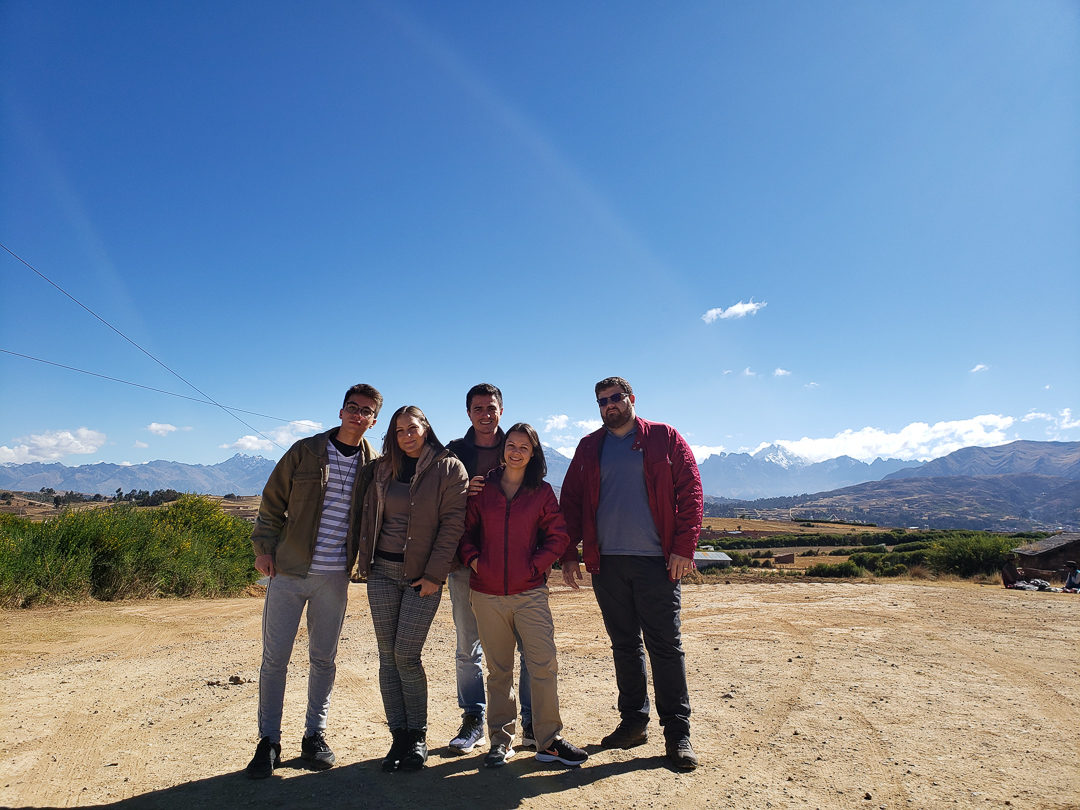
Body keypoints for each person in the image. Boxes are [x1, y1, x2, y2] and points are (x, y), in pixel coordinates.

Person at [560, 376, 703, 771]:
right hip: (607, 562)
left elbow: (690, 492)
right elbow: (570, 500)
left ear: (631, 399)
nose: (610, 405)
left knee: (665, 646)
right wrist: (570, 553)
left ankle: (677, 733)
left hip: (657, 561)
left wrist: (683, 549)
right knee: (624, 644)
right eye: (602, 401)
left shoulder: (664, 438)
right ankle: (633, 723)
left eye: (615, 398)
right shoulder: (590, 446)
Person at [245, 383, 382, 779]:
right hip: (288, 572)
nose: (357, 415)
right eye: (352, 407)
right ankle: (268, 742)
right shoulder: (304, 451)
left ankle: (314, 736)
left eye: (366, 411)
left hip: (335, 576)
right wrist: (263, 548)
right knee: (275, 660)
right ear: (340, 411)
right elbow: (272, 502)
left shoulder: (375, 466)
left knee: (324, 659)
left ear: (373, 421)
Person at [459, 423, 588, 769]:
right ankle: (500, 742)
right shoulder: (483, 489)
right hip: (486, 594)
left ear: (533, 454)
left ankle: (549, 741)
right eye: (511, 445)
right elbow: (464, 531)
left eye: (524, 447)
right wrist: (474, 561)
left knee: (543, 665)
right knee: (498, 671)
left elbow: (558, 535)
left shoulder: (542, 492)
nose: (516, 451)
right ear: (503, 449)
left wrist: (537, 566)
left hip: (530, 594)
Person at [355, 405, 469, 771]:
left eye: (413, 427)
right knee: (387, 655)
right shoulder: (380, 468)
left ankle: (418, 735)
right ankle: (398, 737)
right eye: (399, 429)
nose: (407, 434)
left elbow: (453, 524)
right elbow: (362, 514)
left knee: (407, 654)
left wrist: (436, 575)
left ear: (426, 428)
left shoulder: (449, 467)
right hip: (381, 571)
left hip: (423, 576)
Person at [445, 383, 533, 754]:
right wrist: (465, 492)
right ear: (468, 413)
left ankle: (531, 722)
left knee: (528, 646)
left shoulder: (516, 445)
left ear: (501, 410)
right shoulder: (454, 452)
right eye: (478, 408)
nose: (485, 414)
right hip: (466, 562)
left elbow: (536, 491)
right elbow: (437, 498)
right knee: (469, 645)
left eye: (491, 407)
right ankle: (473, 720)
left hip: (517, 563)